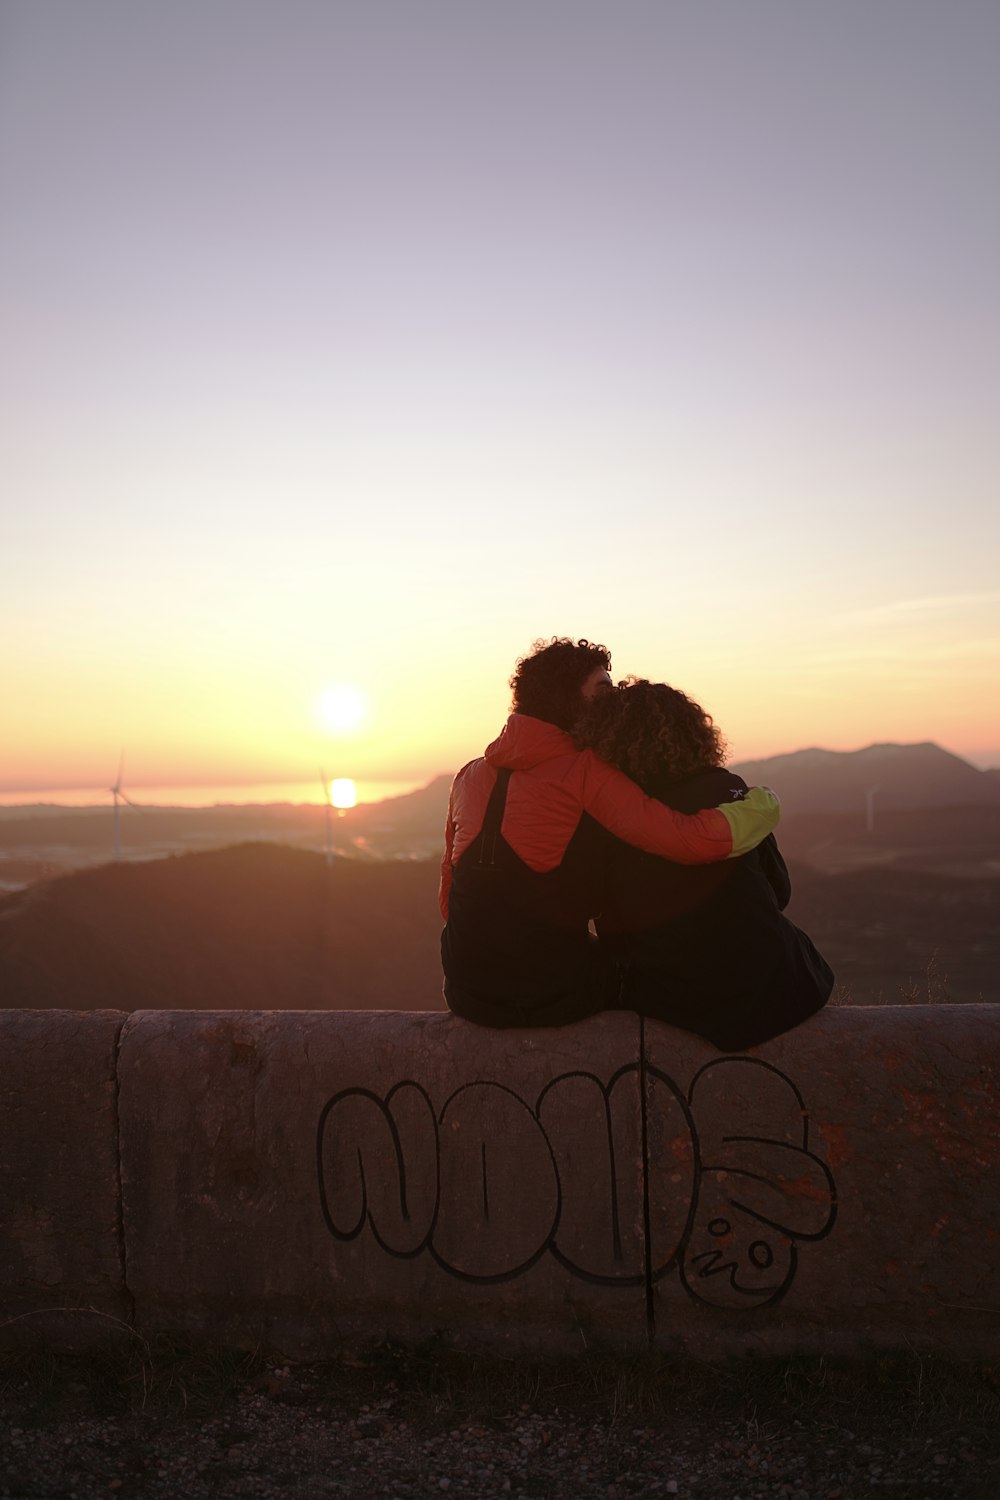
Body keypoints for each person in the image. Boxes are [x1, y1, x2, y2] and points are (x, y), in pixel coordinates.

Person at [440, 638, 782, 1029]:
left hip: (465, 991)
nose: (614, 698)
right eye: (603, 689)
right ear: (565, 699)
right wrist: (764, 806)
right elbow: (690, 840)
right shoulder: (585, 772)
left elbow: (449, 892)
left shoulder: (468, 776)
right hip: (552, 996)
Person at [572, 677, 833, 1049]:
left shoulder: (609, 816)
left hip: (675, 1001)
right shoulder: (728, 790)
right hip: (781, 990)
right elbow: (780, 891)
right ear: (692, 732)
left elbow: (606, 920)